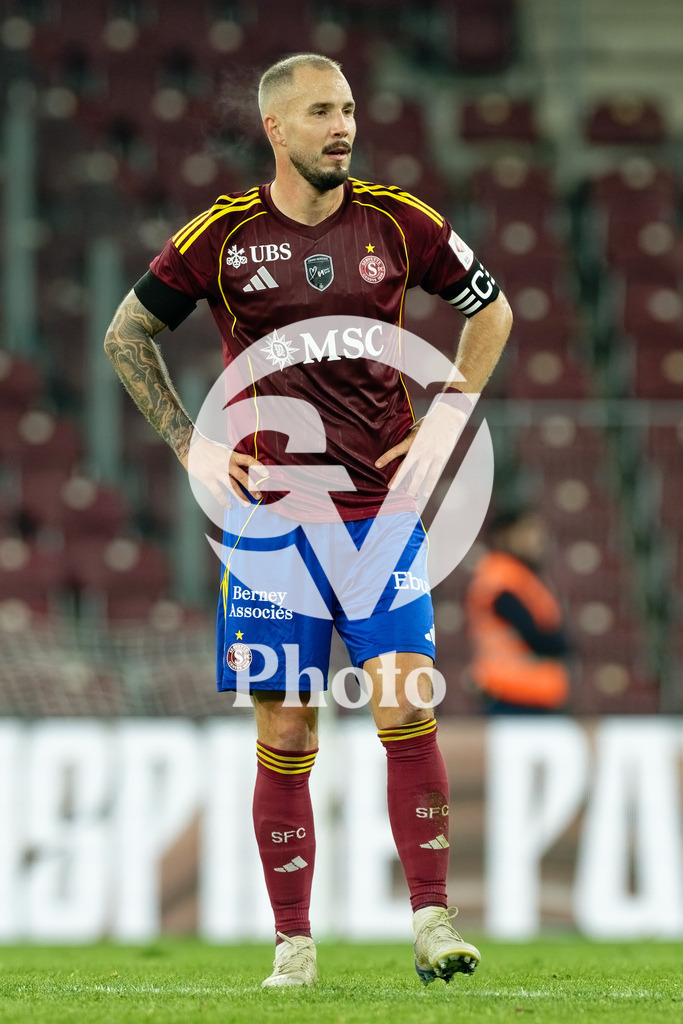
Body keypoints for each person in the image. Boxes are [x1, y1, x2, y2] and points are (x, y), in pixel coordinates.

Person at [104, 53, 512, 987]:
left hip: (380, 518)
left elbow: (491, 313)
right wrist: (190, 445)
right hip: (270, 529)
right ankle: (294, 944)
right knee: (288, 733)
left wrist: (448, 411)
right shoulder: (221, 236)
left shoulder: (402, 223)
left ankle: (433, 923)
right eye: (322, 111)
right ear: (276, 128)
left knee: (406, 702)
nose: (344, 126)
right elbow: (127, 334)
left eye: (350, 109)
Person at [465, 508, 572, 713]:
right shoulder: (500, 578)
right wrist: (564, 644)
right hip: (511, 693)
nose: (537, 538)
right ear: (504, 536)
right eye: (527, 531)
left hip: (536, 692)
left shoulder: (523, 576)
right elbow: (536, 635)